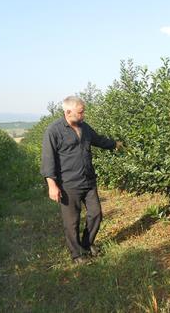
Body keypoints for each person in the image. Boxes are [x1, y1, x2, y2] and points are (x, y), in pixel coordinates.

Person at [41, 96, 122, 264]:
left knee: (96, 214)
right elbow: (48, 159)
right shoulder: (54, 130)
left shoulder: (84, 127)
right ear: (68, 112)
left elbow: (98, 140)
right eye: (81, 112)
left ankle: (87, 244)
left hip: (88, 180)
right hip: (68, 184)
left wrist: (115, 144)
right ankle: (77, 255)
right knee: (72, 222)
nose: (83, 115)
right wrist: (52, 185)